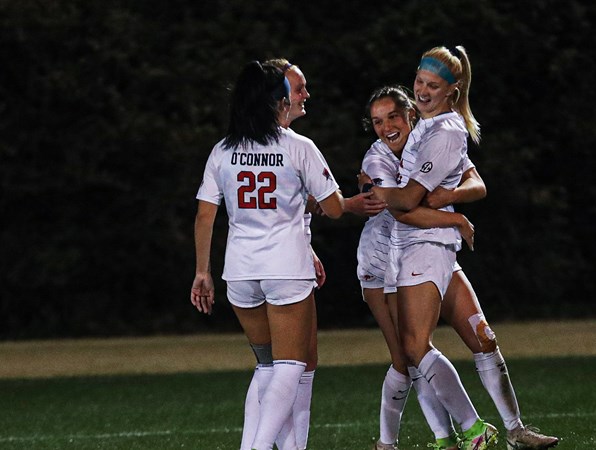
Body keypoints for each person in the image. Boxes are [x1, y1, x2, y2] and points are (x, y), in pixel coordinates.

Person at [355, 85, 559, 450]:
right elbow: (402, 210)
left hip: (435, 250)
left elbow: (476, 181)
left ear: (411, 115)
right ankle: (430, 438)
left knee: (483, 337)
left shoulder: (434, 140)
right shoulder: (376, 160)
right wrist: (456, 220)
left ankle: (516, 432)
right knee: (407, 357)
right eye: (377, 121)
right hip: (386, 260)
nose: (386, 127)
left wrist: (451, 196)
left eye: (393, 116)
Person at [190, 60, 344, 450]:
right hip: (285, 269)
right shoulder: (297, 146)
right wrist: (315, 200)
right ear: (280, 100)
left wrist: (201, 273)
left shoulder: (223, 149)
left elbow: (206, 215)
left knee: (266, 366)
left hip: (240, 272)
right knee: (292, 366)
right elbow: (336, 206)